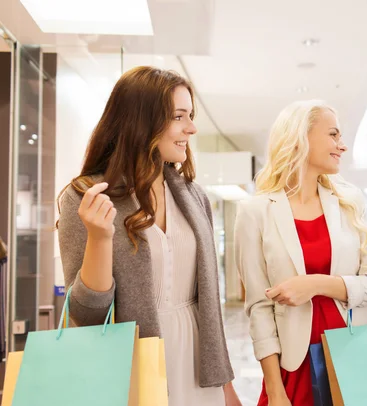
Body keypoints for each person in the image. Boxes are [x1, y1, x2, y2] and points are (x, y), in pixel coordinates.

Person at [57, 66, 241, 406]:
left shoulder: (194, 196)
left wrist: (226, 385)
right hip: (134, 362)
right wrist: (99, 238)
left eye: (191, 115)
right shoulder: (85, 196)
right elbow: (86, 315)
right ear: (142, 122)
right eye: (179, 116)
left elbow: (207, 302)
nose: (192, 127)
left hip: (199, 363)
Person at [234, 100, 367, 406]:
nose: (342, 146)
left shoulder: (349, 202)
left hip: (353, 359)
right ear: (300, 138)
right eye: (333, 135)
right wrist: (276, 391)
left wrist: (316, 284)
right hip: (292, 369)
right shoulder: (255, 211)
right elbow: (259, 307)